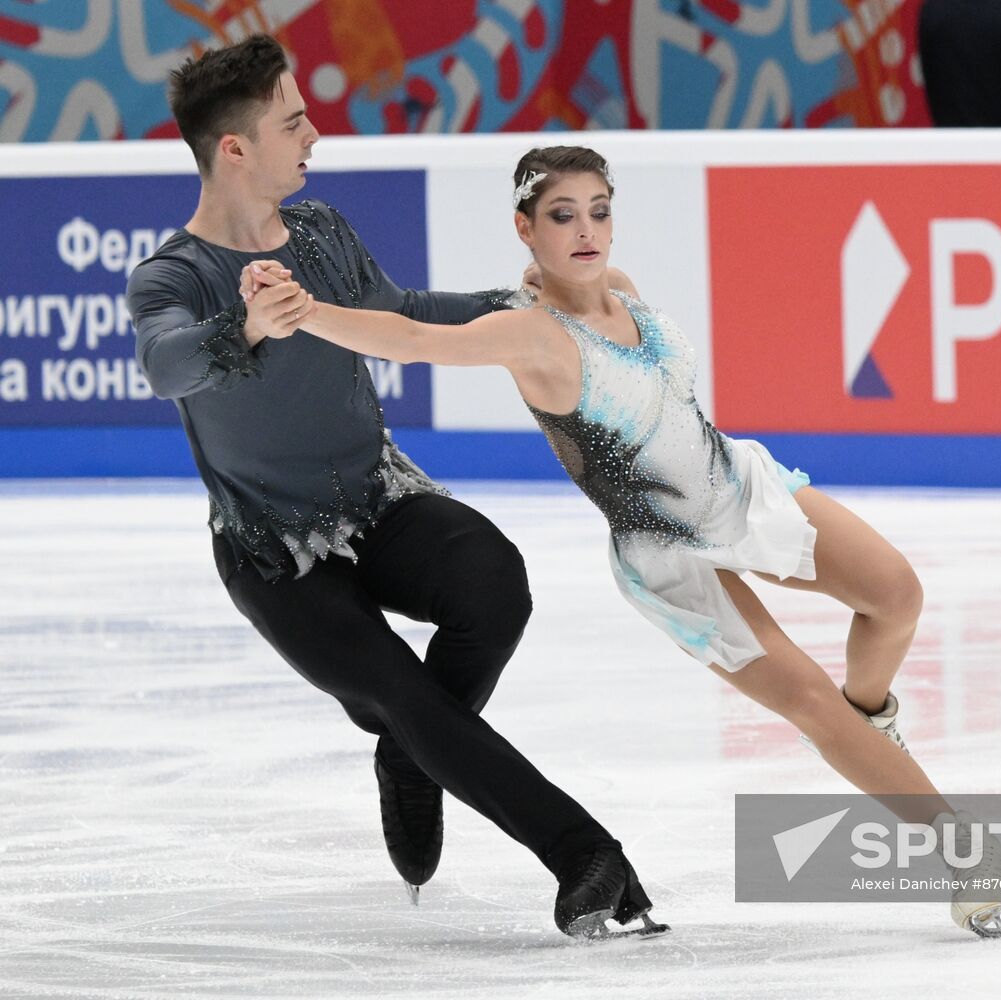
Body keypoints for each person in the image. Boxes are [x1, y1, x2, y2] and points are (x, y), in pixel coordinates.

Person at [243, 145, 1001, 939]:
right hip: (666, 554)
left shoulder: (624, 294)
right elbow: (416, 341)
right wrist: (307, 314)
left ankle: (870, 724)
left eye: (598, 211)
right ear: (525, 227)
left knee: (895, 598)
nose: (586, 229)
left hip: (739, 490)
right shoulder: (529, 334)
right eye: (561, 215)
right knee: (809, 701)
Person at [125, 38, 664, 941]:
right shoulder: (172, 276)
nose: (315, 134)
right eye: (293, 122)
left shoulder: (324, 232)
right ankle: (583, 855)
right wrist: (246, 324)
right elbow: (166, 364)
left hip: (377, 500)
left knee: (495, 582)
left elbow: (402, 313)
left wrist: (524, 306)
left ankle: (414, 761)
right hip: (273, 553)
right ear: (235, 149)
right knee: (403, 695)